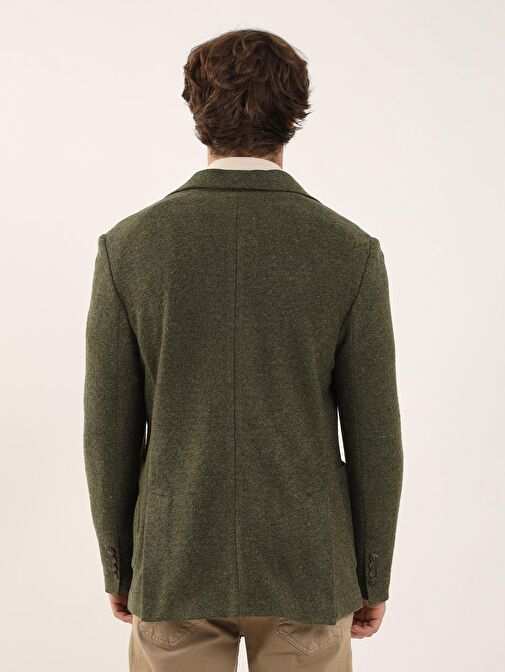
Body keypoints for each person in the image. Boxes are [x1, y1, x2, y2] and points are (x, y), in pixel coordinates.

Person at [83, 28, 404, 672]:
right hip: (309, 570)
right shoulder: (349, 252)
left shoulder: (130, 248)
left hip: (175, 560)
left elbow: (108, 432)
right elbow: (376, 437)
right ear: (295, 113)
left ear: (196, 111)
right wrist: (373, 573)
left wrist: (120, 563)